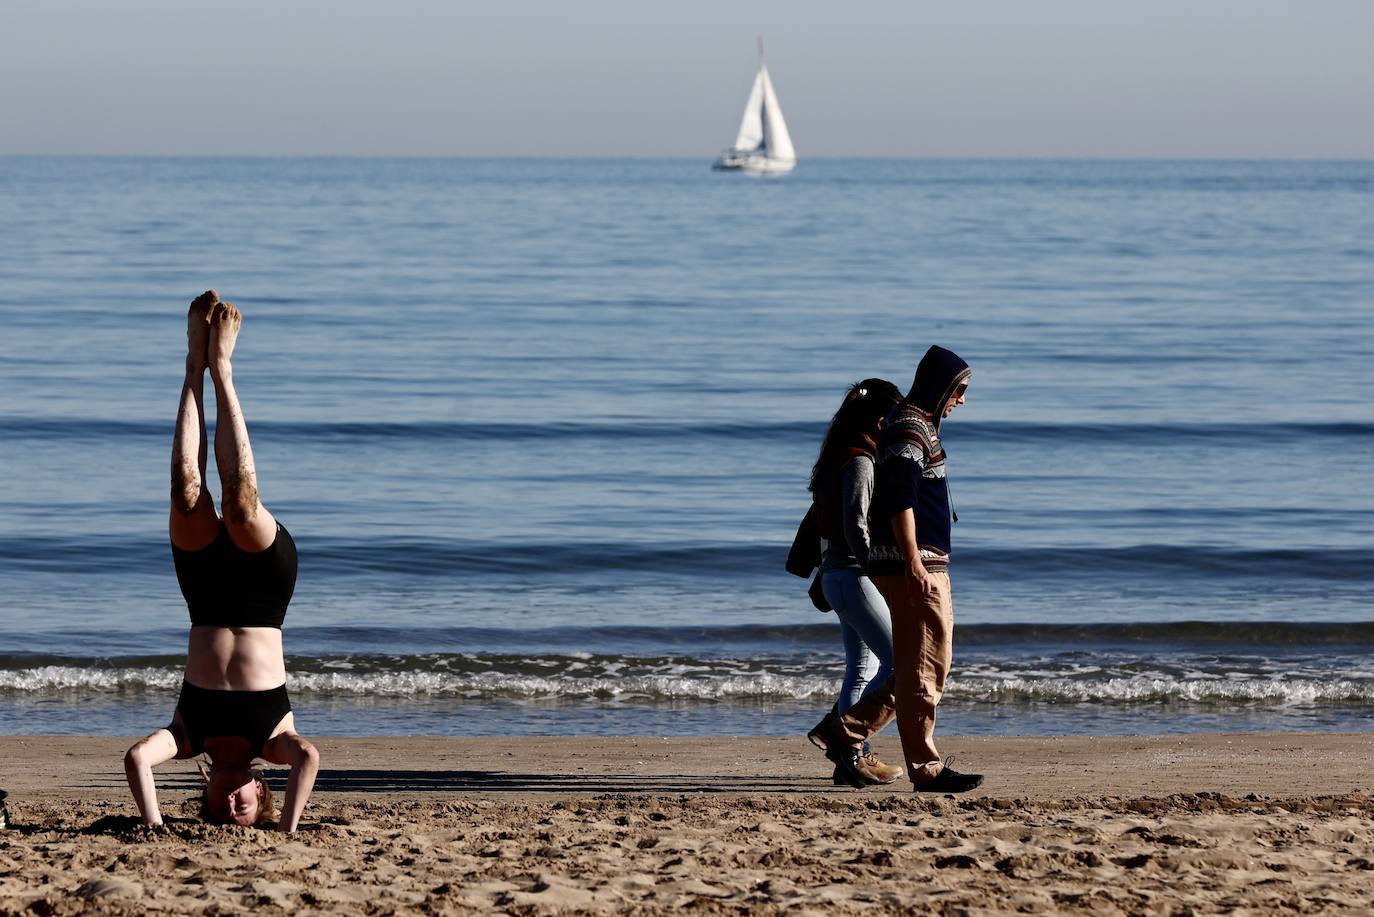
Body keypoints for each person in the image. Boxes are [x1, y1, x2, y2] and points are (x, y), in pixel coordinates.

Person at [124, 291, 319, 831]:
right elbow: (311, 759)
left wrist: (155, 826)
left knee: (187, 494)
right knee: (239, 503)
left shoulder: (187, 737)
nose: (230, 805)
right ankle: (224, 371)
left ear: (206, 794)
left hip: (204, 592)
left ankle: (193, 365)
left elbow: (138, 758)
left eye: (218, 809)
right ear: (261, 789)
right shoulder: (276, 742)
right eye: (245, 807)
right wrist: (288, 830)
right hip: (265, 591)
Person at [824, 345, 982, 793]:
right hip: (916, 566)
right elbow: (899, 497)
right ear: (942, 386)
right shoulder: (911, 429)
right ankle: (920, 766)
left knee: (919, 668)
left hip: (917, 564)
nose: (963, 400)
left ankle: (846, 732)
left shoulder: (915, 426)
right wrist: (912, 558)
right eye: (961, 390)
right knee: (927, 669)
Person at [803, 380, 905, 787]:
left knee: (862, 669)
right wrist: (880, 572)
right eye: (894, 421)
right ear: (881, 421)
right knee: (901, 663)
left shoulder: (836, 457)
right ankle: (842, 735)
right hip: (854, 574)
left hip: (836, 576)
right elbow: (856, 526)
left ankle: (852, 760)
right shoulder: (861, 462)